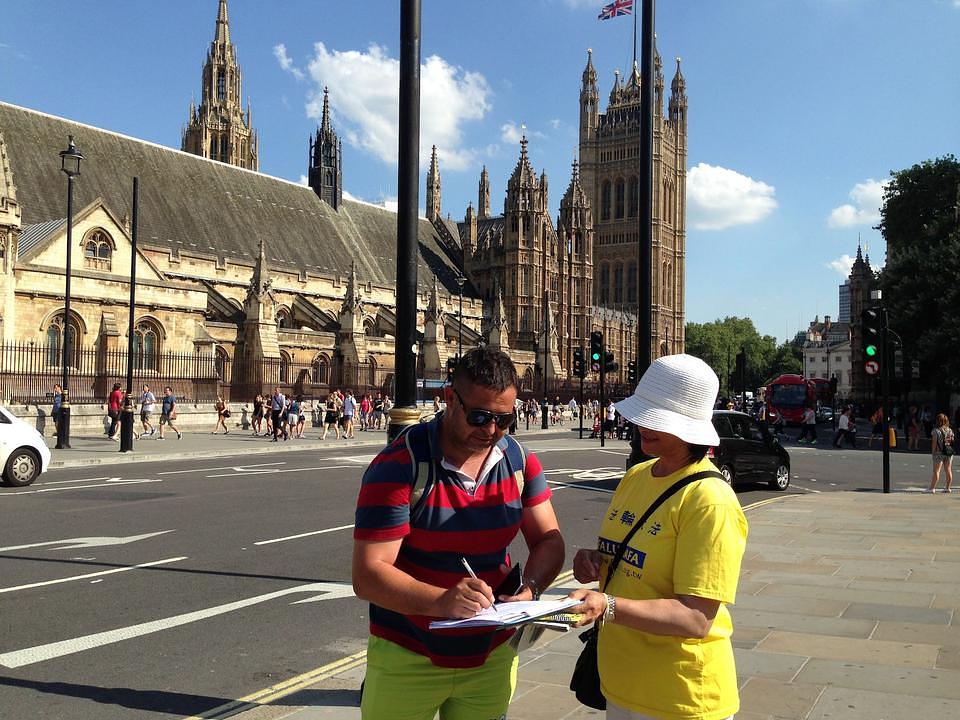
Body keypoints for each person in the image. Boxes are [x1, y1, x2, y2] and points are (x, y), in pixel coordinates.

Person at [352, 346, 565, 720]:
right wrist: (441, 601)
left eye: (504, 419)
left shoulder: (519, 461)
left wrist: (530, 588)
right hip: (408, 655)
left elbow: (549, 539)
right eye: (480, 416)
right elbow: (369, 574)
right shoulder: (400, 465)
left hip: (491, 656)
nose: (491, 431)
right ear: (450, 399)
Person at [568, 354, 748, 720]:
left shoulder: (709, 500)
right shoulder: (637, 476)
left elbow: (696, 617)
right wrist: (596, 559)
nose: (641, 425)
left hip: (679, 696)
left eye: (657, 419)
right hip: (621, 683)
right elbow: (632, 558)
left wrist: (607, 605)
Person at [926, 413, 954, 493]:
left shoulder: (936, 431)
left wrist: (933, 452)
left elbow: (934, 442)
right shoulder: (950, 430)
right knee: (948, 470)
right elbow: (952, 441)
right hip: (949, 452)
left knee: (936, 471)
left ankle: (932, 488)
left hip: (939, 452)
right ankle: (948, 488)